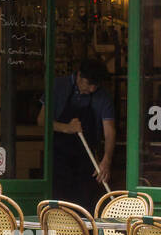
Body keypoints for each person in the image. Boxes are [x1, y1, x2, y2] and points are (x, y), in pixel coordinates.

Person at [38, 58, 116, 207]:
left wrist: (106, 160)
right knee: (58, 207)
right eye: (89, 84)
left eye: (96, 85)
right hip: (57, 161)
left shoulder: (103, 96)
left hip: (86, 162)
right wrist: (66, 127)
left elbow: (109, 131)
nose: (92, 89)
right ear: (79, 75)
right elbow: (41, 121)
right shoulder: (58, 86)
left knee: (84, 206)